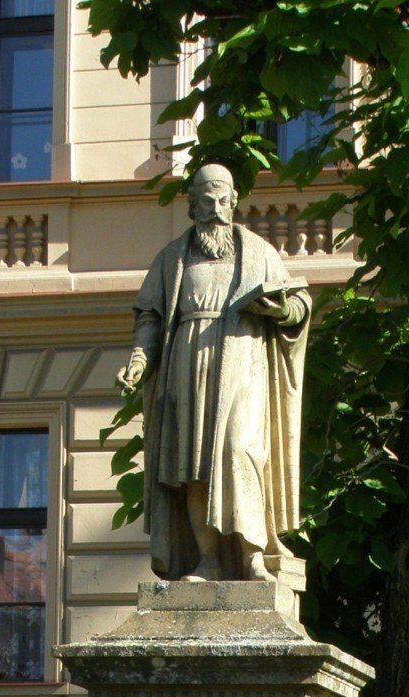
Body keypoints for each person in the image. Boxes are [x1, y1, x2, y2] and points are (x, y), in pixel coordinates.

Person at [118, 163, 311, 581]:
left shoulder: (258, 252)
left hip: (243, 361)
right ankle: (207, 560)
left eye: (223, 200)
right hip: (186, 364)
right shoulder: (171, 259)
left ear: (234, 202)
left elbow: (299, 304)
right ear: (192, 206)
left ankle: (253, 555)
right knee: (193, 467)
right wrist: (139, 360)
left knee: (241, 450)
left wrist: (278, 308)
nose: (216, 210)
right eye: (206, 201)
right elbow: (149, 318)